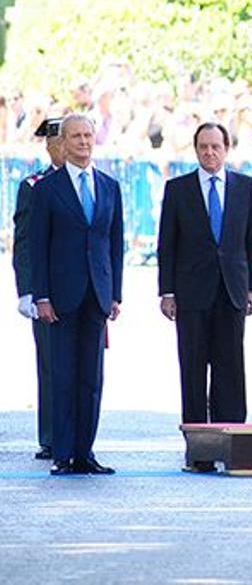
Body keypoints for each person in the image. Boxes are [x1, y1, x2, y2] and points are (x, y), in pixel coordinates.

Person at [157, 123, 252, 453]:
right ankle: (199, 446)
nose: (210, 152)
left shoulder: (245, 187)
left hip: (231, 288)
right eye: (203, 146)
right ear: (196, 149)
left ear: (227, 148)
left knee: (230, 365)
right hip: (192, 292)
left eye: (216, 146)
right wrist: (167, 291)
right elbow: (167, 244)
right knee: (193, 366)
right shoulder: (179, 189)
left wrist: (251, 288)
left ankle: (232, 441)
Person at [30, 114, 124, 475]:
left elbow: (114, 243)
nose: (84, 142)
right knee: (63, 375)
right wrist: (41, 297)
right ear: (63, 143)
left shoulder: (109, 186)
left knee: (91, 378)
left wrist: (115, 293)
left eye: (88, 135)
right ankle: (64, 453)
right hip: (61, 296)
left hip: (97, 295)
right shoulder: (46, 189)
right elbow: (38, 247)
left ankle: (86, 452)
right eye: (76, 137)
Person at [12, 116, 65, 461]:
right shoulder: (35, 185)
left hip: (82, 286)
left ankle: (78, 434)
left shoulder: (93, 183)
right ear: (49, 145)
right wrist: (27, 290)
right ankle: (51, 435)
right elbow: (25, 242)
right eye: (62, 140)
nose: (70, 145)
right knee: (50, 364)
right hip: (48, 288)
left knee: (83, 367)